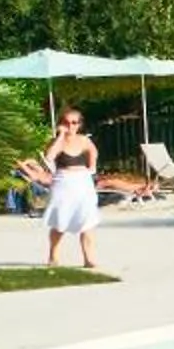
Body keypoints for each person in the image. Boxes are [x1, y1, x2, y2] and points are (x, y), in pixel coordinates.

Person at [43, 109, 102, 269]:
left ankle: (88, 258)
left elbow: (93, 152)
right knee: (60, 221)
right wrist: (61, 135)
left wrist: (92, 168)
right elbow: (49, 157)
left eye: (74, 123)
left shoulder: (84, 140)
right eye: (67, 122)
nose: (71, 126)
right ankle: (53, 254)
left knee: (86, 220)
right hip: (63, 182)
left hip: (82, 182)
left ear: (79, 124)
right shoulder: (56, 142)